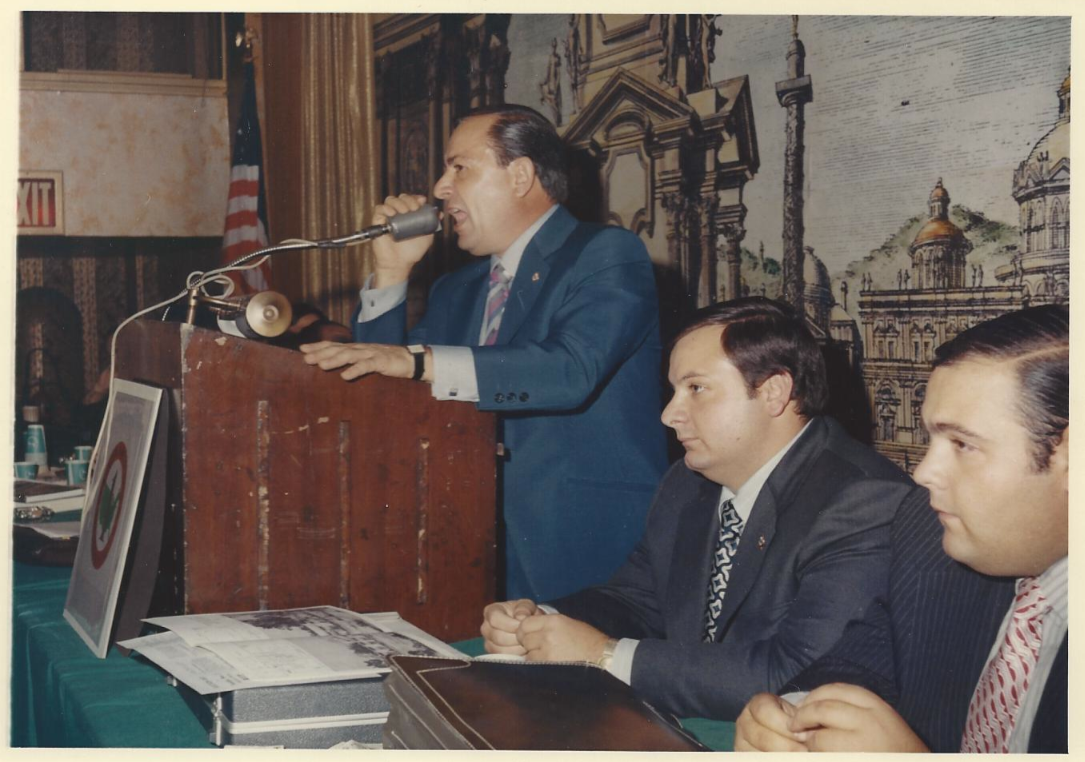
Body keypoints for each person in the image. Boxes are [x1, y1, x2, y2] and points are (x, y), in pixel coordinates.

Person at [480, 297, 924, 720]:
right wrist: (539, 621)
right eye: (675, 390)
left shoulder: (863, 500)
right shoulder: (687, 482)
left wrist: (605, 656)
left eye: (696, 388)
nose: (669, 415)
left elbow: (798, 675)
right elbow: (637, 600)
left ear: (774, 392)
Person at [300, 104, 667, 602]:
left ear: (520, 176)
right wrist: (391, 272)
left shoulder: (605, 253)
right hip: (464, 543)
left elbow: (571, 369)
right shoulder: (458, 289)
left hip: (576, 546)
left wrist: (420, 362)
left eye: (459, 168)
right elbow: (383, 395)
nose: (439, 188)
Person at [735, 304, 1068, 753]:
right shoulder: (930, 533)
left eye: (962, 443)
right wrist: (793, 719)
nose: (923, 473)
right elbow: (863, 663)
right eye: (932, 439)